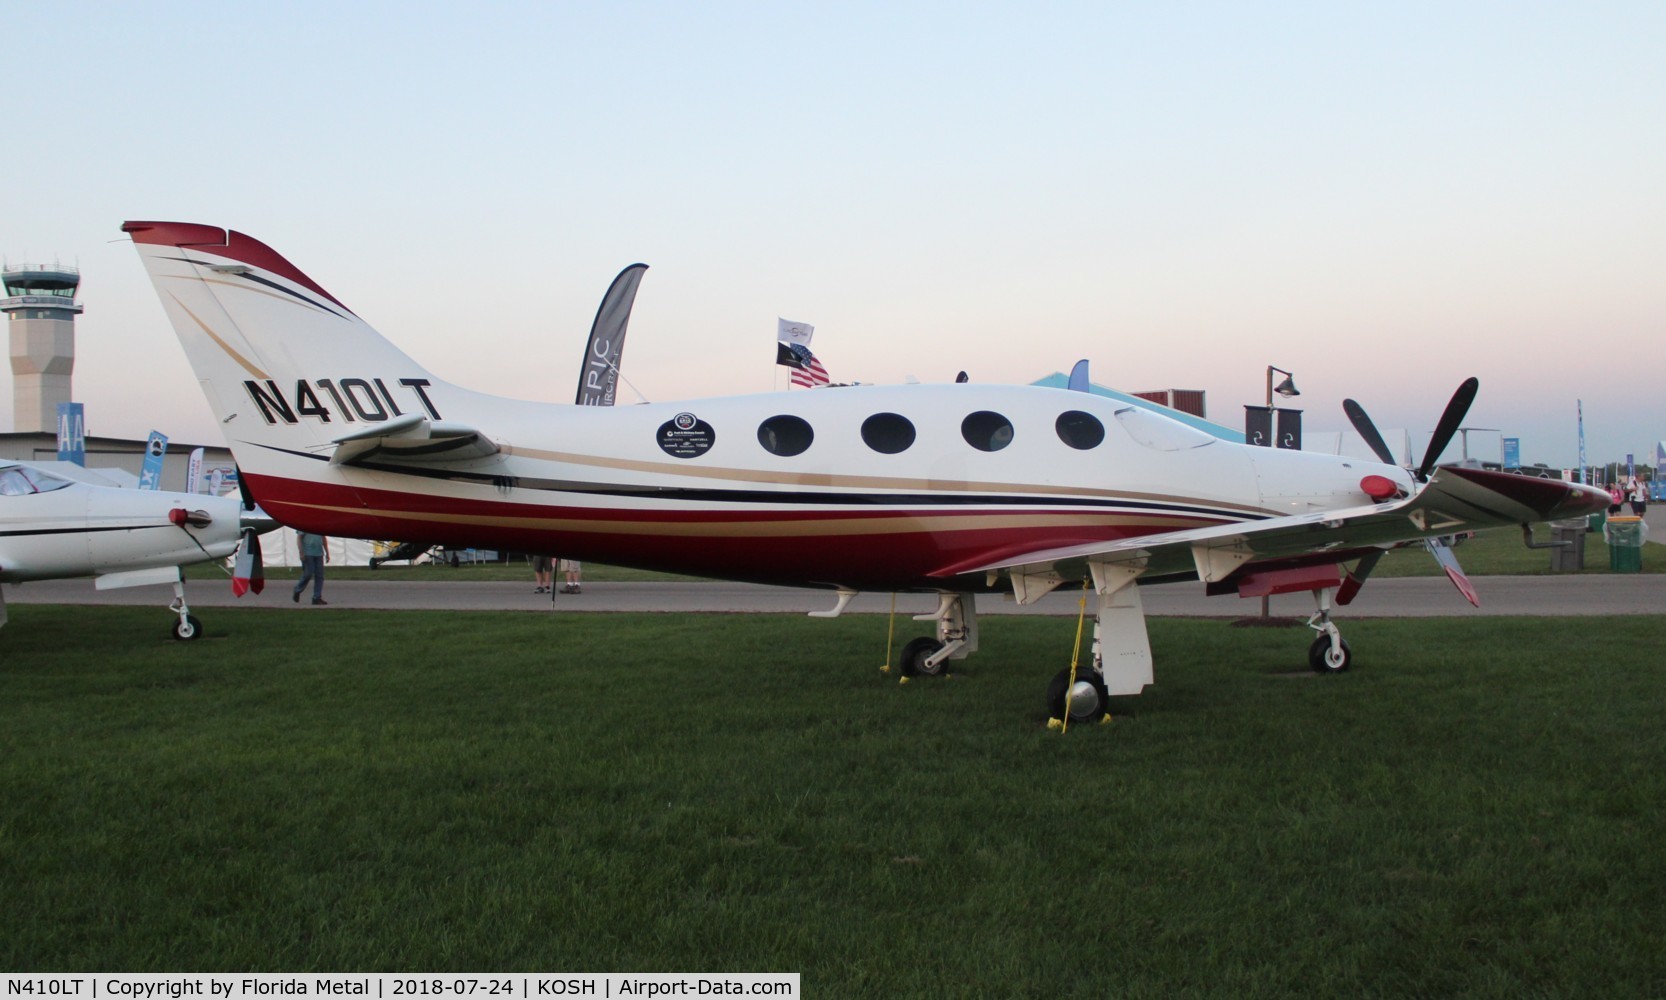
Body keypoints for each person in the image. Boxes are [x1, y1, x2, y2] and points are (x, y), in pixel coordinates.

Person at [293, 531, 329, 605]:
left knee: (319, 576)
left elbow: (323, 538)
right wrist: (301, 552)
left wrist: (327, 552)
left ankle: (317, 597)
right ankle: (297, 589)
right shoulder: (305, 523)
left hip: (319, 553)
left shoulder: (319, 525)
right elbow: (299, 538)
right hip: (308, 553)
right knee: (308, 573)